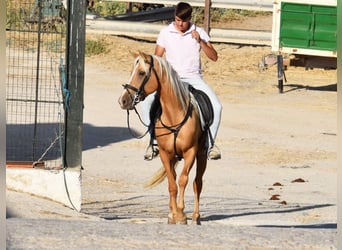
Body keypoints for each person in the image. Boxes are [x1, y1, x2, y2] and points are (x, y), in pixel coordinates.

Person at [142, 1, 222, 160]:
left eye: (183, 21)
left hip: (193, 78)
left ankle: (210, 145)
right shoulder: (165, 32)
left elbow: (214, 57)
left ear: (190, 18)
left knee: (217, 107)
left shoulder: (198, 31)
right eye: (178, 20)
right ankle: (152, 142)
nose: (180, 24)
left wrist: (200, 41)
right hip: (171, 80)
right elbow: (157, 58)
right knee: (146, 103)